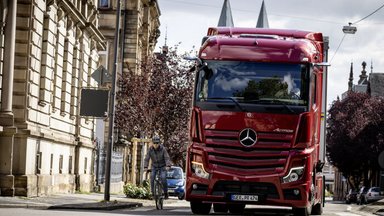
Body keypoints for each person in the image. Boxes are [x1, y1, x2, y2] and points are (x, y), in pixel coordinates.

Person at [144, 135, 172, 199]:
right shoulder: (150, 150)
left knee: (163, 178)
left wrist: (168, 165)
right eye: (154, 143)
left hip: (162, 166)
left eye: (157, 143)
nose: (155, 144)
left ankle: (165, 192)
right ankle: (152, 193)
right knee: (152, 177)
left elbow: (167, 158)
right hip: (154, 166)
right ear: (152, 143)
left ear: (159, 143)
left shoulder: (163, 149)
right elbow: (147, 158)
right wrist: (145, 166)